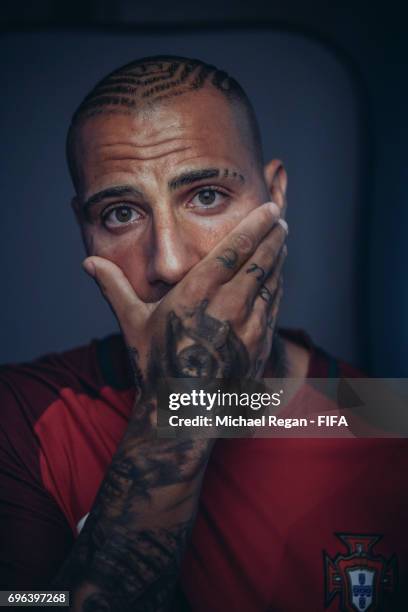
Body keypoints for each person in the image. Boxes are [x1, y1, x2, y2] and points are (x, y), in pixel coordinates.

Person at [0, 55, 405, 611]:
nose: (168, 262)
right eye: (121, 213)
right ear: (84, 231)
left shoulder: (384, 417)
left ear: (274, 196)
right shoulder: (24, 416)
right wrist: (177, 409)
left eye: (207, 195)